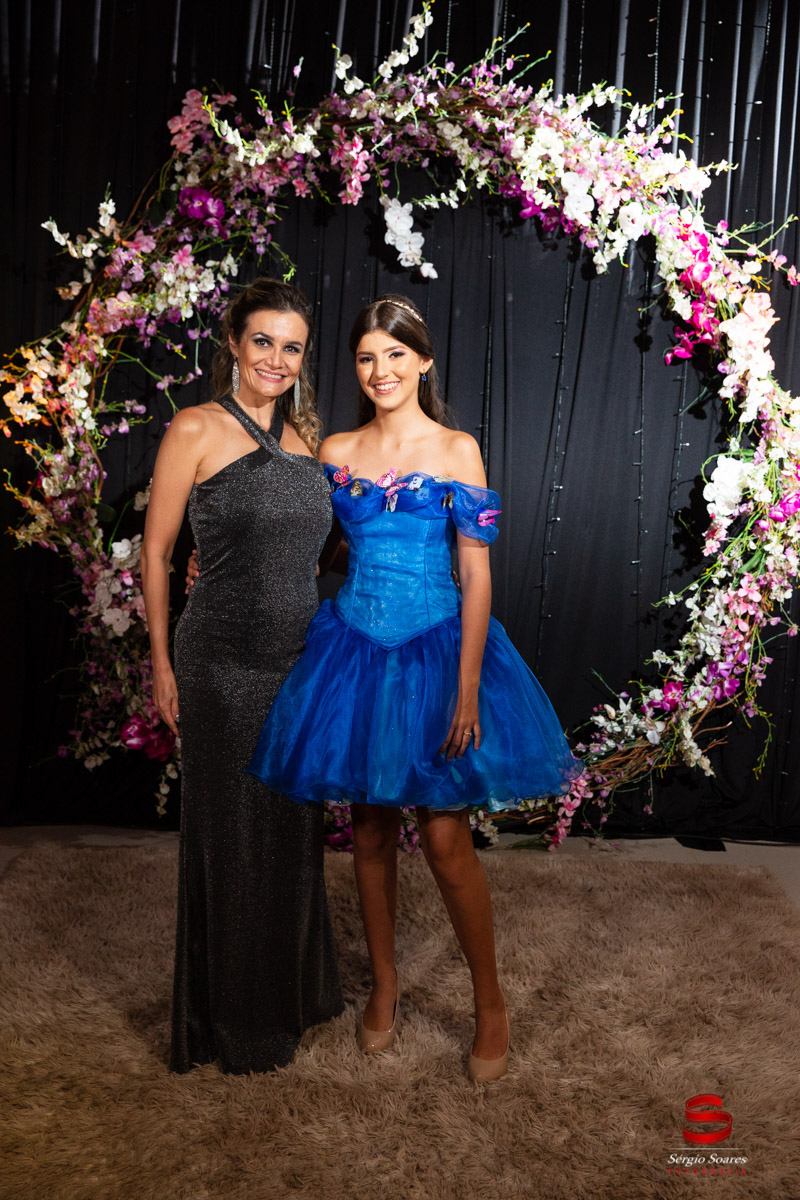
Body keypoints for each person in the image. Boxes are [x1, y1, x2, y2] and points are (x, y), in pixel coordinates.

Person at [246, 294, 583, 1081]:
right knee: (368, 832)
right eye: (367, 357)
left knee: (443, 839)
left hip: (437, 653)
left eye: (396, 355)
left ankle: (490, 1002)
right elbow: (326, 548)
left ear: (424, 361)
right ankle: (386, 987)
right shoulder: (336, 449)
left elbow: (477, 574)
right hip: (356, 651)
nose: (381, 370)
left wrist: (466, 688)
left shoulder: (458, 450)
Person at [141, 277, 343, 1074]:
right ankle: (231, 1023)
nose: (276, 360)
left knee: (291, 835)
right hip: (220, 662)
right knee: (230, 842)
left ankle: (292, 994)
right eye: (263, 341)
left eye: (292, 347)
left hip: (297, 663)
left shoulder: (310, 438)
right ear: (232, 343)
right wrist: (161, 661)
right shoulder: (194, 427)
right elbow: (158, 551)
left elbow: (314, 549)